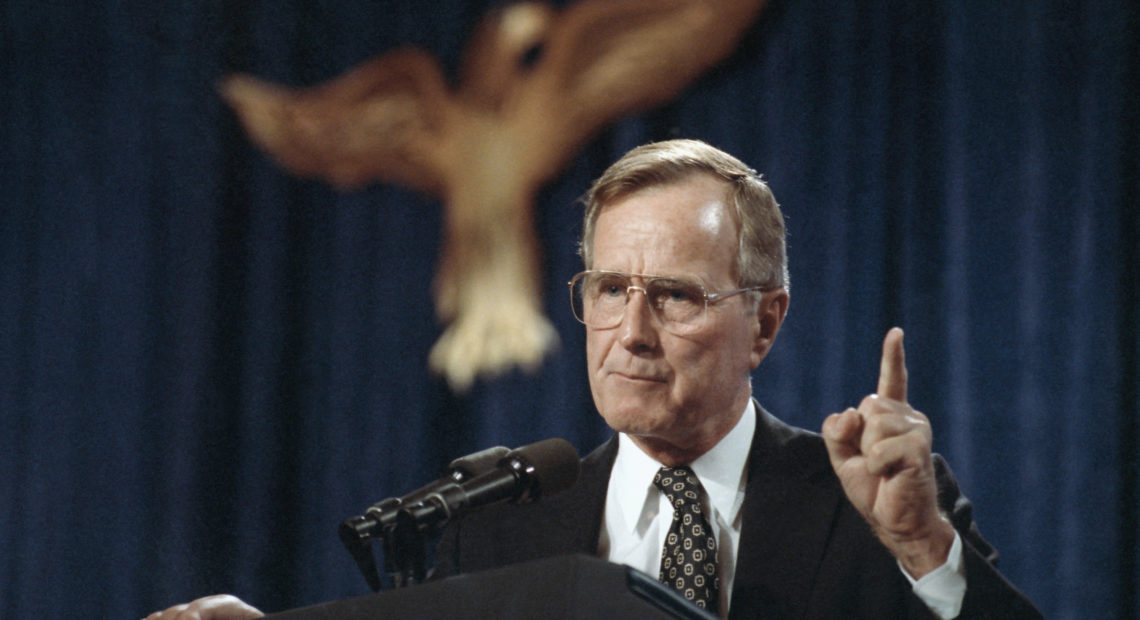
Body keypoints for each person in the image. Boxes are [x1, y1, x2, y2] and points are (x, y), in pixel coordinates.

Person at [146, 140, 1041, 619]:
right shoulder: (494, 529)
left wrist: (926, 546)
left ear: (764, 322)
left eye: (676, 297)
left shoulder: (873, 512)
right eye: (611, 289)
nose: (631, 334)